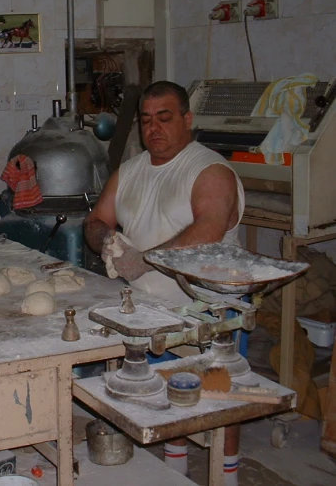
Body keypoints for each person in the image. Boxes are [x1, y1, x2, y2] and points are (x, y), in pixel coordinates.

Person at [83, 80, 245, 484]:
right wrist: (107, 241)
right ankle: (176, 472)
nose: (154, 128)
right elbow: (96, 220)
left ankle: (228, 477)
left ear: (188, 120)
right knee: (168, 402)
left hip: (206, 312)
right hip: (144, 312)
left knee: (218, 405)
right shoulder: (131, 170)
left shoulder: (210, 171)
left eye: (165, 118)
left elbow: (208, 229)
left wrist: (146, 261)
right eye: (146, 120)